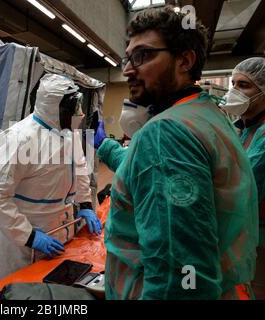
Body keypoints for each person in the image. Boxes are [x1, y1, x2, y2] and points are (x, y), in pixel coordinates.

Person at [95, 6, 258, 299]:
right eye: (127, 58)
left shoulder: (164, 132)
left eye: (142, 55)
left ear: (184, 60)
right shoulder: (208, 114)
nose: (128, 69)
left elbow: (180, 280)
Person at [0, 74, 102, 282]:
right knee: (18, 289)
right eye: (75, 107)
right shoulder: (19, 139)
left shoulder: (68, 134)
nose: (80, 113)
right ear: (57, 108)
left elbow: (79, 167)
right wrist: (29, 235)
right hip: (23, 238)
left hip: (59, 226)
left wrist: (85, 203)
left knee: (53, 286)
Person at [221, 57, 265, 299]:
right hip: (245, 232)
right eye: (233, 84)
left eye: (244, 85)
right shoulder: (246, 129)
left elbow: (240, 185)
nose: (235, 91)